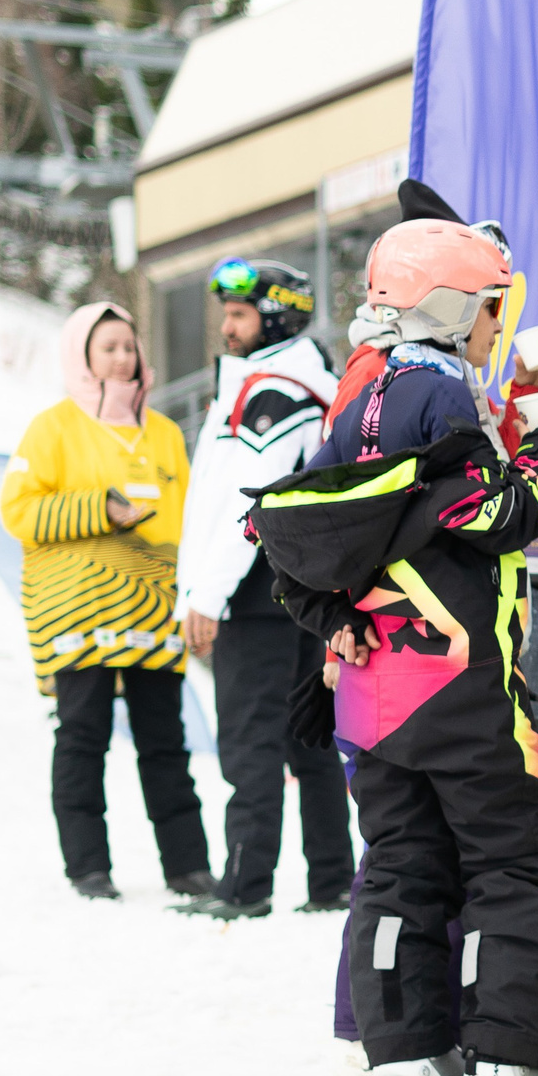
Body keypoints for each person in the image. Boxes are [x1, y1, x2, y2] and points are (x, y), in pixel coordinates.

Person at [250, 217, 538, 1076]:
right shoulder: (441, 395)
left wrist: (334, 622)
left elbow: (292, 528)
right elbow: (499, 515)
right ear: (452, 308)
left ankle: (410, 1060)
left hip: (372, 697)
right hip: (462, 683)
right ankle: (512, 1067)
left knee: (401, 867)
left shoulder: (359, 393)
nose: (496, 326)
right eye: (490, 307)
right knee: (508, 863)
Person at [0, 303, 209, 903]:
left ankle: (188, 867)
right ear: (82, 357)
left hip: (153, 609)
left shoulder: (165, 433)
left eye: (128, 347)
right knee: (82, 736)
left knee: (164, 739)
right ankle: (88, 867)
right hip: (78, 607)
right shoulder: (52, 427)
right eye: (108, 347)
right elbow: (17, 510)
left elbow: (190, 520)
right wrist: (100, 509)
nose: (122, 358)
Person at [174, 258, 354, 921]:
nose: (227, 327)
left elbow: (249, 503)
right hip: (298, 591)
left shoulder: (276, 391)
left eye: (239, 315)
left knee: (251, 741)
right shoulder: (281, 382)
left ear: (275, 317)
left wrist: (207, 594)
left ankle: (246, 887)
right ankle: (331, 880)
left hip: (255, 593)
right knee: (308, 742)